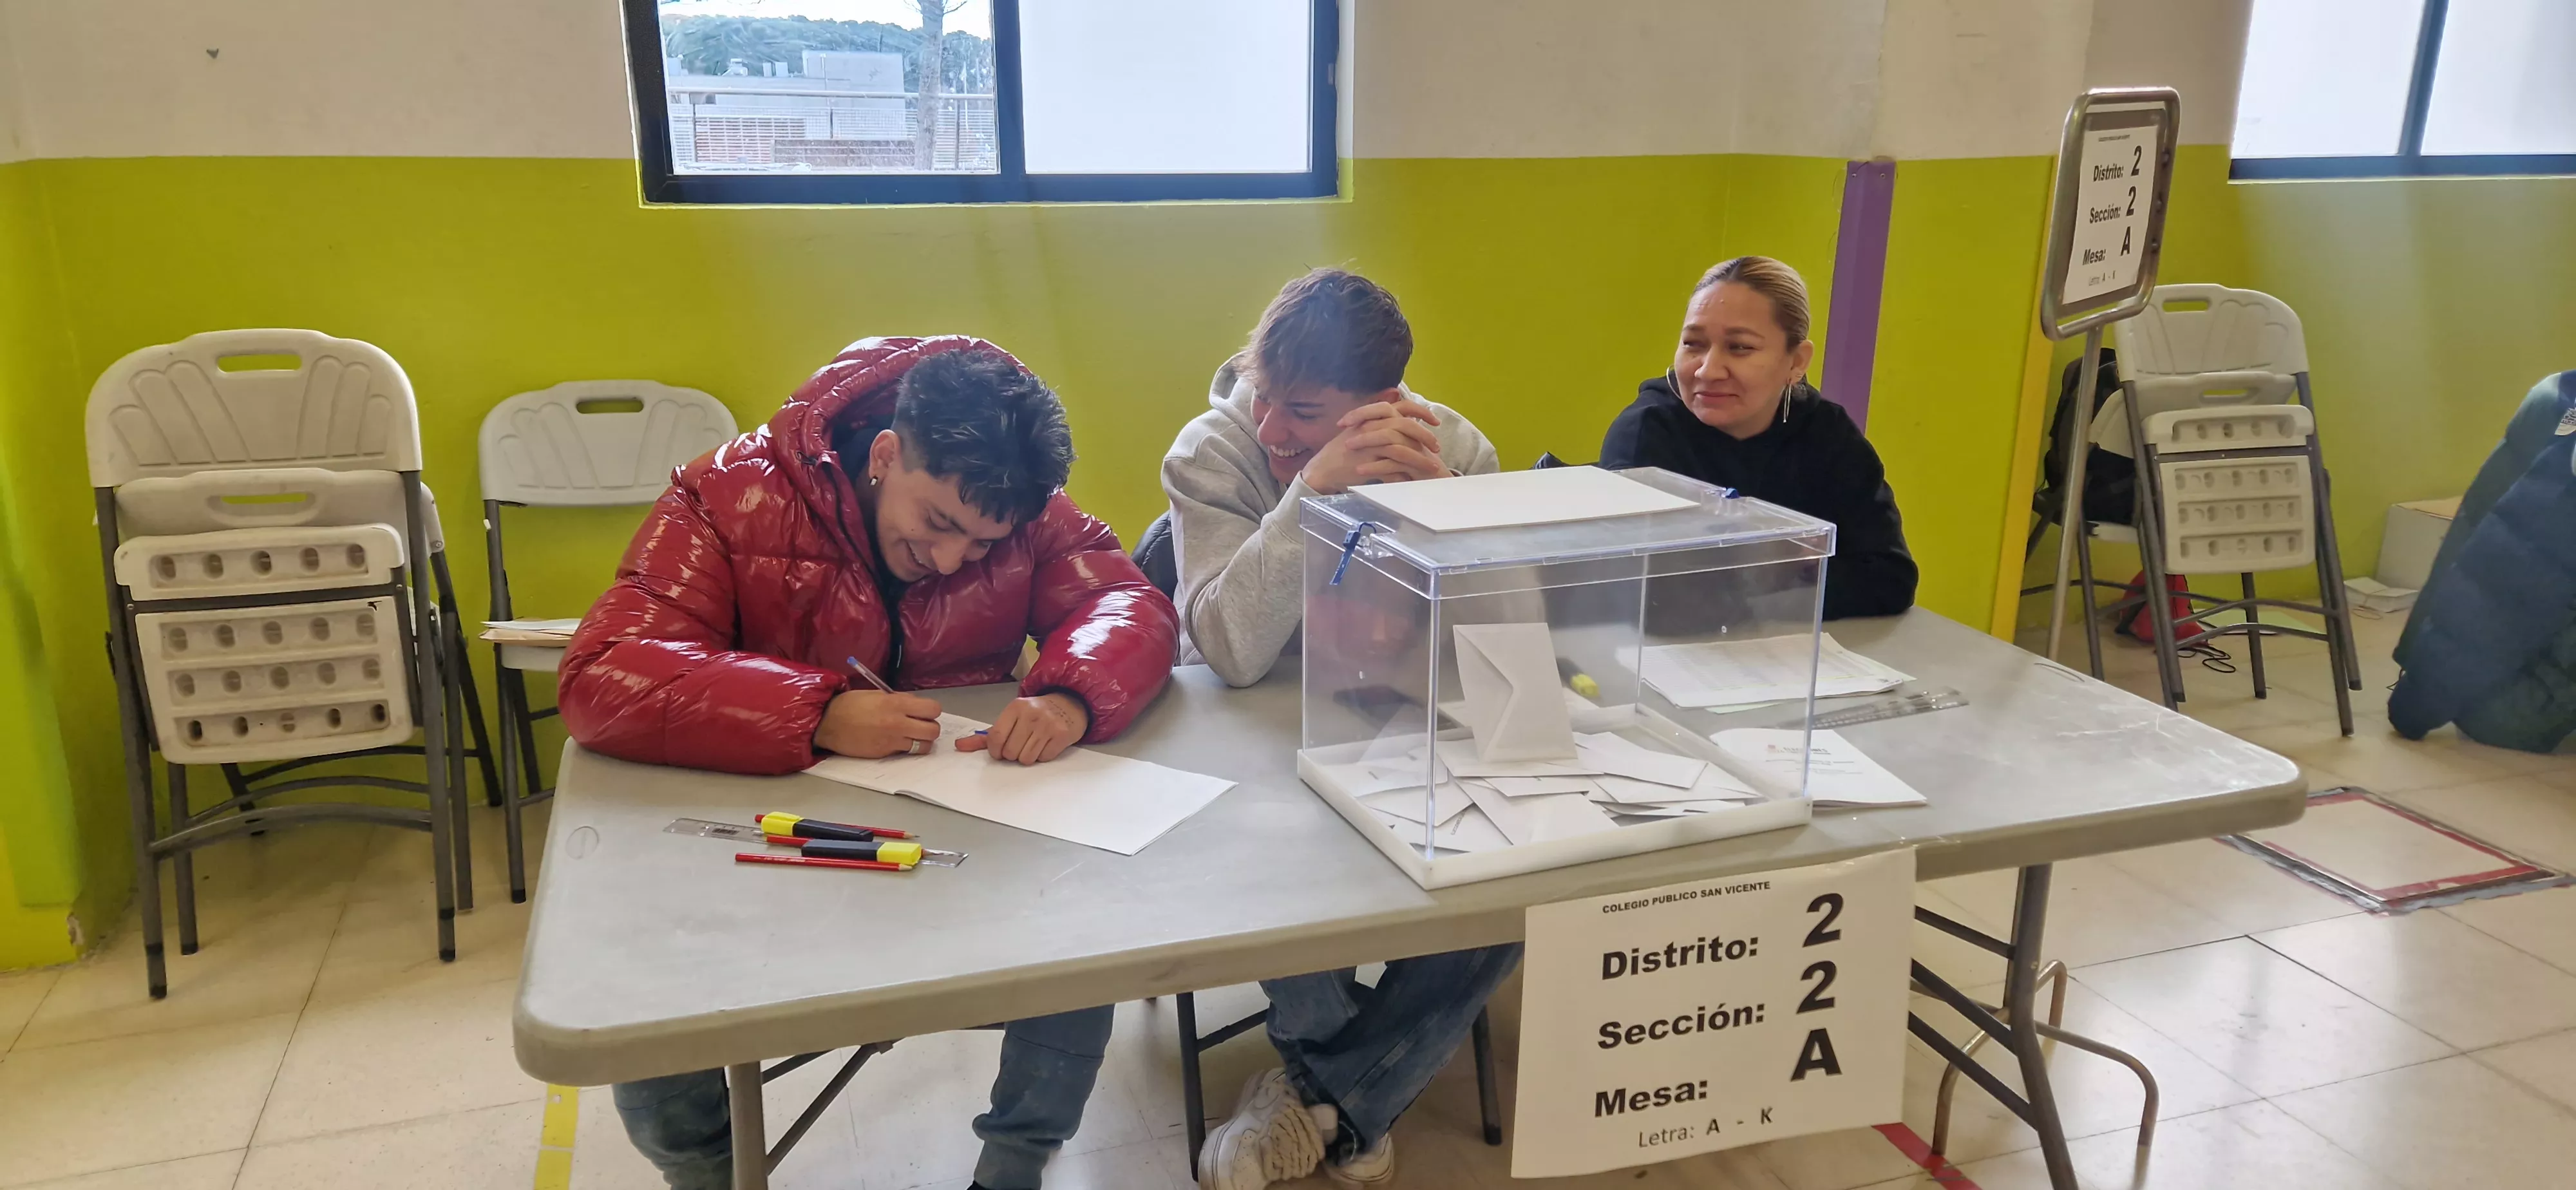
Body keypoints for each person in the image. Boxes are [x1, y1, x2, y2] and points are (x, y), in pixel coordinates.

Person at [558, 335, 1179, 1190]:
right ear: (885, 454)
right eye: (939, 524)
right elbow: (602, 673)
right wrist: (814, 713)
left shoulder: (1020, 503)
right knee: (643, 1022)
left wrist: (1071, 695)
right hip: (768, 850)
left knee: (1082, 942)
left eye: (983, 543)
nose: (952, 559)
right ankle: (710, 1177)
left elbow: (1127, 602)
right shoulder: (727, 495)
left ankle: (1011, 1172)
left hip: (963, 845)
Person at [1160, 269, 1520, 1189]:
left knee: (1523, 865)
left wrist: (1451, 519)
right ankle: (1361, 1099)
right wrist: (1309, 493)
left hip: (1406, 729)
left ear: (1383, 402)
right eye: (1263, 394)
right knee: (1269, 850)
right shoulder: (1214, 452)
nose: (1271, 427)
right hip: (1253, 744)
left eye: (1305, 412)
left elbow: (1508, 652)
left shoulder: (1456, 448)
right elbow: (1229, 651)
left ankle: (1318, 1101)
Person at [1599, 256, 1918, 619]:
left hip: (1805, 649)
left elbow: (1890, 577)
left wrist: (1742, 581)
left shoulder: (1828, 434)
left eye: (1740, 347)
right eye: (1693, 344)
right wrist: (1783, 567)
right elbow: (1651, 597)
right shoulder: (1646, 433)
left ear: (1797, 361)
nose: (1708, 370)